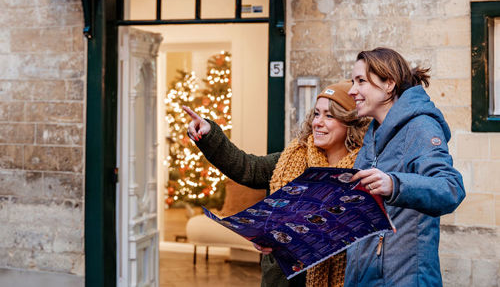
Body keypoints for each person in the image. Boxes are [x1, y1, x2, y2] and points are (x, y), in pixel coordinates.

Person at [184, 80, 370, 287]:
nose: (318, 122)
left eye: (329, 116)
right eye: (317, 114)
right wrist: (209, 134)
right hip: (284, 278)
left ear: (350, 123)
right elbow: (248, 168)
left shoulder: (366, 169)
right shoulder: (293, 158)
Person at [347, 47, 466, 287]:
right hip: (363, 278)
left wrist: (394, 184)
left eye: (361, 81)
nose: (352, 91)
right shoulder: (372, 135)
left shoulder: (420, 127)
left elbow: (450, 188)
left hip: (404, 279)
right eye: (353, 82)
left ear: (388, 84)